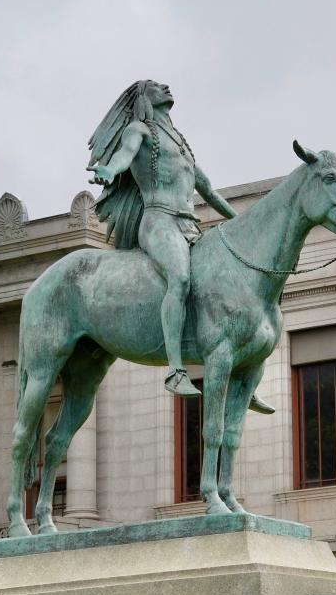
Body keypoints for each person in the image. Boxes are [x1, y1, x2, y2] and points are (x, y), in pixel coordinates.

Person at [87, 80, 275, 414]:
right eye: (156, 86)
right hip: (158, 223)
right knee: (180, 279)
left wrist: (245, 224)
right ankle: (175, 370)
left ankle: (241, 379)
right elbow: (123, 157)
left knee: (218, 288)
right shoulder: (138, 131)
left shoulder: (180, 145)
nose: (165, 86)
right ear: (145, 98)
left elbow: (210, 193)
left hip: (189, 225)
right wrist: (108, 170)